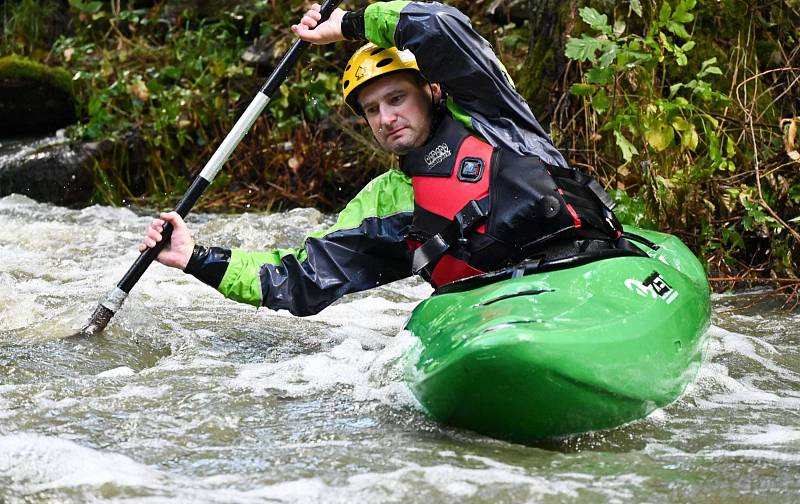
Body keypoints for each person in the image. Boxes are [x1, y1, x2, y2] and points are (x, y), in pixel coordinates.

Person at [140, 1, 624, 316]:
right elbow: (303, 276)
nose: (385, 117)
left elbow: (438, 26)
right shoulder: (388, 202)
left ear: (432, 90)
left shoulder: (491, 112)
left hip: (591, 268)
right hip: (501, 310)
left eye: (396, 99)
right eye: (372, 109)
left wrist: (348, 25)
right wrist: (196, 259)